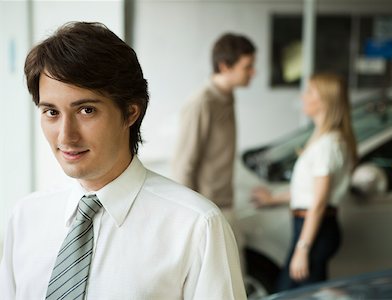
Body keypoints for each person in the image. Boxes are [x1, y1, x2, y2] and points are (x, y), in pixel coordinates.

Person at [0, 22, 246, 300]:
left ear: (130, 113)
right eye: (51, 112)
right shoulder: (25, 218)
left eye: (86, 110)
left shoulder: (196, 227)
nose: (66, 136)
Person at [252, 72, 357, 291]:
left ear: (325, 101)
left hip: (314, 231)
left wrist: (303, 249)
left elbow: (318, 203)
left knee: (291, 292)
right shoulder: (323, 137)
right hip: (314, 229)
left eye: (310, 92)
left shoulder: (328, 144)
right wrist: (272, 199)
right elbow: (308, 191)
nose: (303, 96)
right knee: (308, 293)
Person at [172, 33, 256, 271]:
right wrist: (189, 221)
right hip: (206, 212)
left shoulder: (228, 97)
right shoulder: (202, 103)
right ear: (224, 66)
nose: (253, 73)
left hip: (224, 206)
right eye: (247, 67)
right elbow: (184, 166)